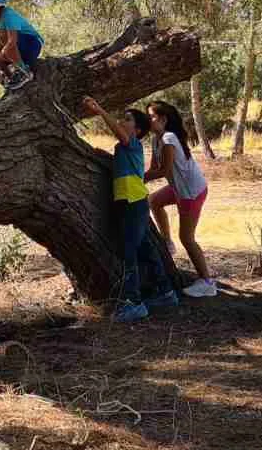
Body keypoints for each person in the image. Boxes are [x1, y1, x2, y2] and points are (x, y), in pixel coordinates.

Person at [81, 96, 177, 322]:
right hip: (134, 202)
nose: (122, 122)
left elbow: (120, 134)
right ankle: (165, 292)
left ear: (138, 129)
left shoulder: (132, 143)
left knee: (128, 254)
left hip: (133, 203)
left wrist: (99, 110)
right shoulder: (124, 148)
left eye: (127, 120)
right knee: (146, 250)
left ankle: (133, 303)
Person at [146, 100, 216, 298]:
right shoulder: (156, 139)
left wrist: (136, 177)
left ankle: (207, 282)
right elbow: (153, 168)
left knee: (187, 238)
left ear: (163, 119)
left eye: (151, 116)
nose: (148, 120)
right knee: (154, 201)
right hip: (179, 188)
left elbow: (165, 170)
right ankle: (167, 241)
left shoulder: (169, 138)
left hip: (191, 192)